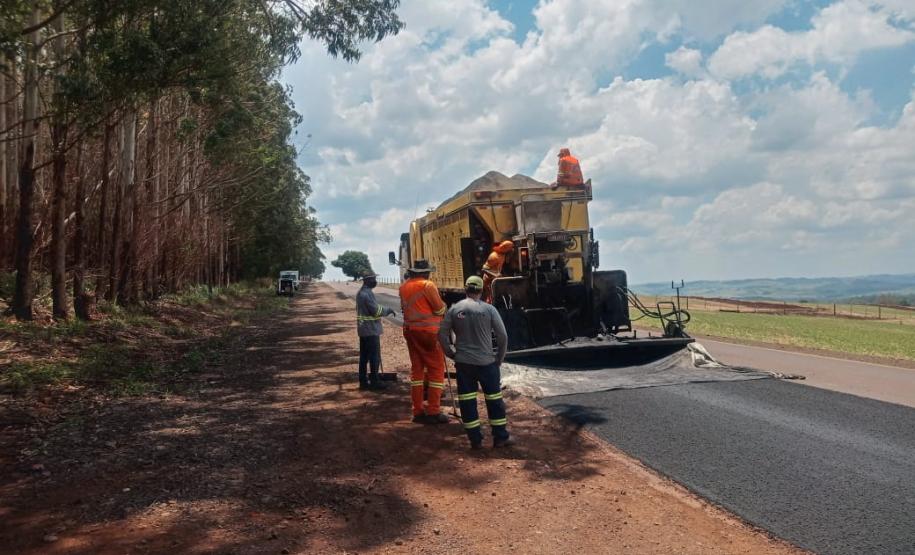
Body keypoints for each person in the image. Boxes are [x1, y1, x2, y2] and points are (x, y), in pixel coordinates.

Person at [438, 275, 512, 449]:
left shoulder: (454, 309)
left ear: (465, 289)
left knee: (467, 401)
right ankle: (500, 437)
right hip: (487, 363)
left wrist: (451, 354)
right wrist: (499, 359)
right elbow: (503, 336)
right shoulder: (489, 310)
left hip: (464, 364)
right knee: (494, 400)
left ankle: (475, 440)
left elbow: (441, 334)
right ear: (481, 290)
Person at [398, 259, 449, 424]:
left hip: (410, 331)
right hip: (427, 333)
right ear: (425, 273)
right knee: (436, 370)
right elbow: (439, 308)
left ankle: (417, 411)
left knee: (417, 371)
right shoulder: (428, 285)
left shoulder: (403, 287)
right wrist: (445, 307)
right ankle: (433, 411)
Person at [356, 273, 395, 390]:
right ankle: (374, 381)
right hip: (370, 330)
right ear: (367, 280)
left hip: (364, 329)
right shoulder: (366, 293)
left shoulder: (361, 292)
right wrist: (388, 310)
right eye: (373, 279)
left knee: (364, 357)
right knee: (374, 357)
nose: (375, 281)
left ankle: (363, 381)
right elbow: (376, 311)